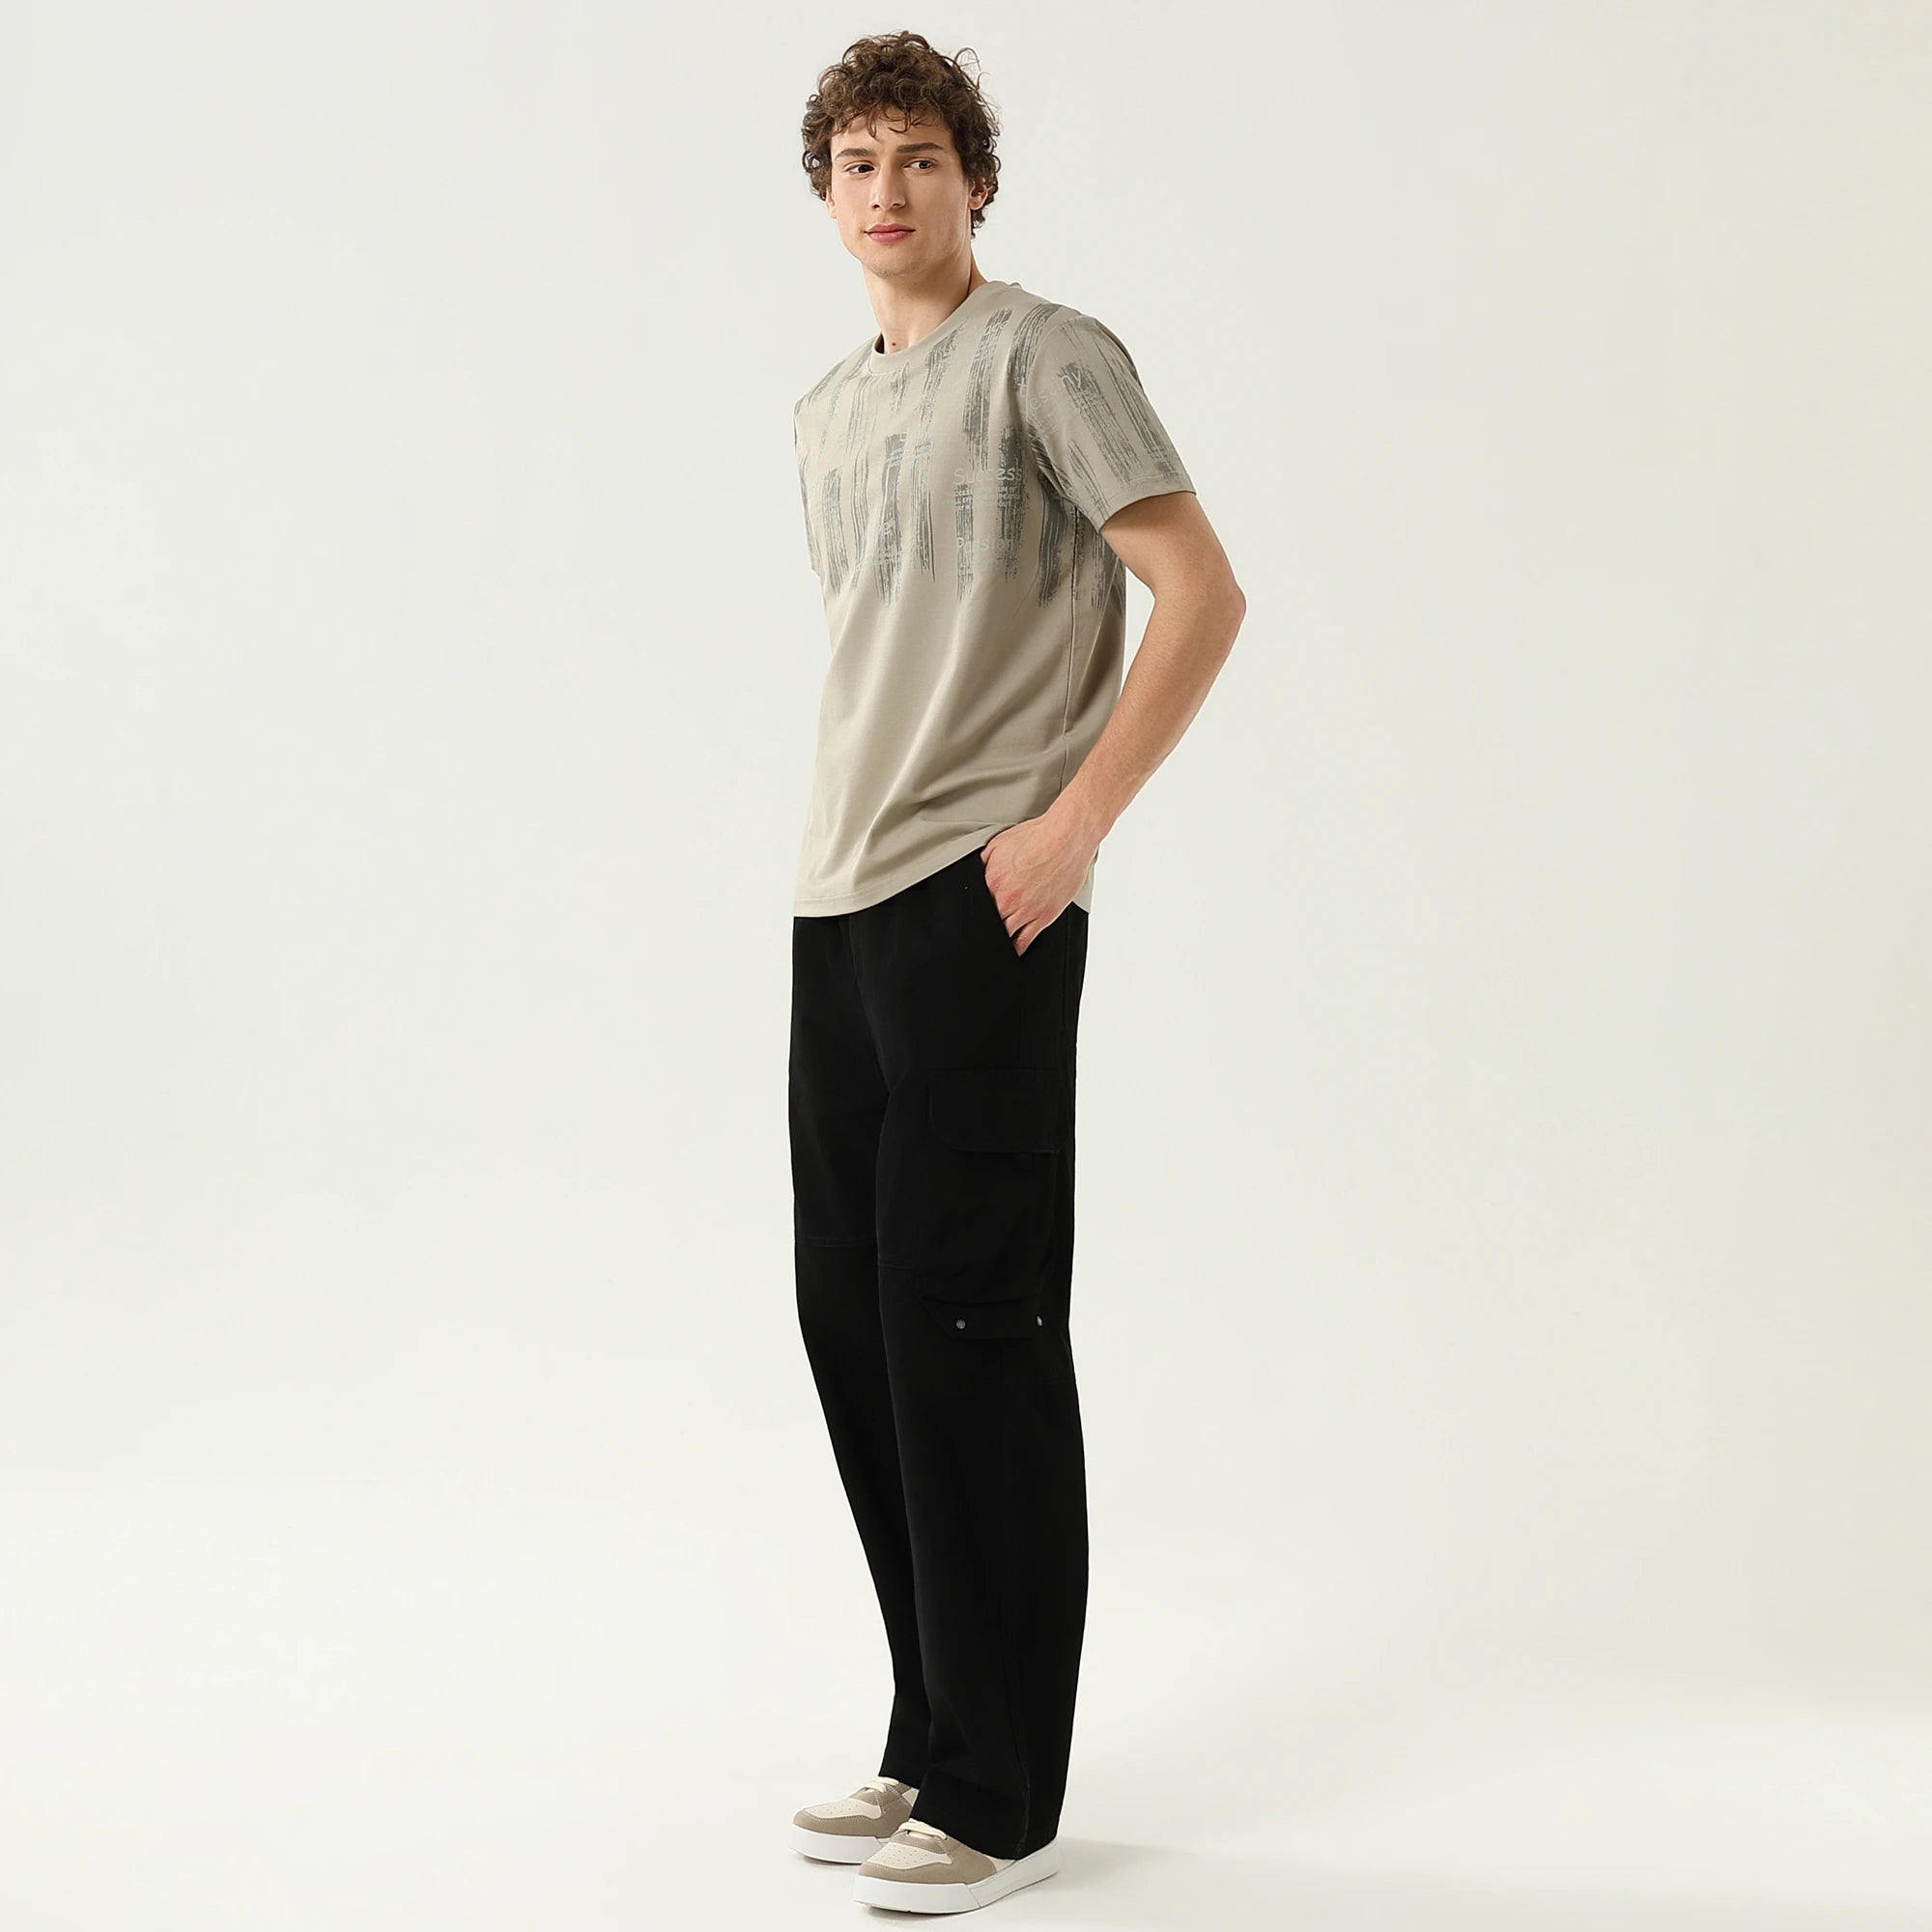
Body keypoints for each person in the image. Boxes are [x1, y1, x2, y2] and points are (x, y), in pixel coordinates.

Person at [783, 31, 1245, 1914]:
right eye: (857, 162)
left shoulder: (1048, 357)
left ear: (976, 182)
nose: (888, 188)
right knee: (857, 1324)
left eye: (921, 156)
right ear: (826, 197)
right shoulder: (824, 410)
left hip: (985, 895)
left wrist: (1071, 832)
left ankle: (1001, 1790)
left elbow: (1201, 591)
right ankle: (929, 1728)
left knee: (968, 1321)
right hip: (836, 904)